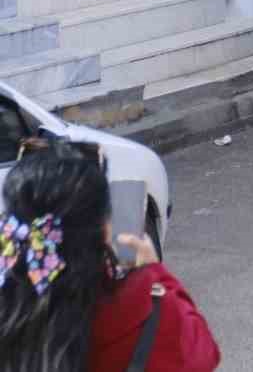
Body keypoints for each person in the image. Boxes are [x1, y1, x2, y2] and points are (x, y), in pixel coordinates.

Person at [0, 141, 221, 372]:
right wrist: (156, 273)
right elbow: (204, 355)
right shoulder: (143, 307)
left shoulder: (10, 308)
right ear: (104, 229)